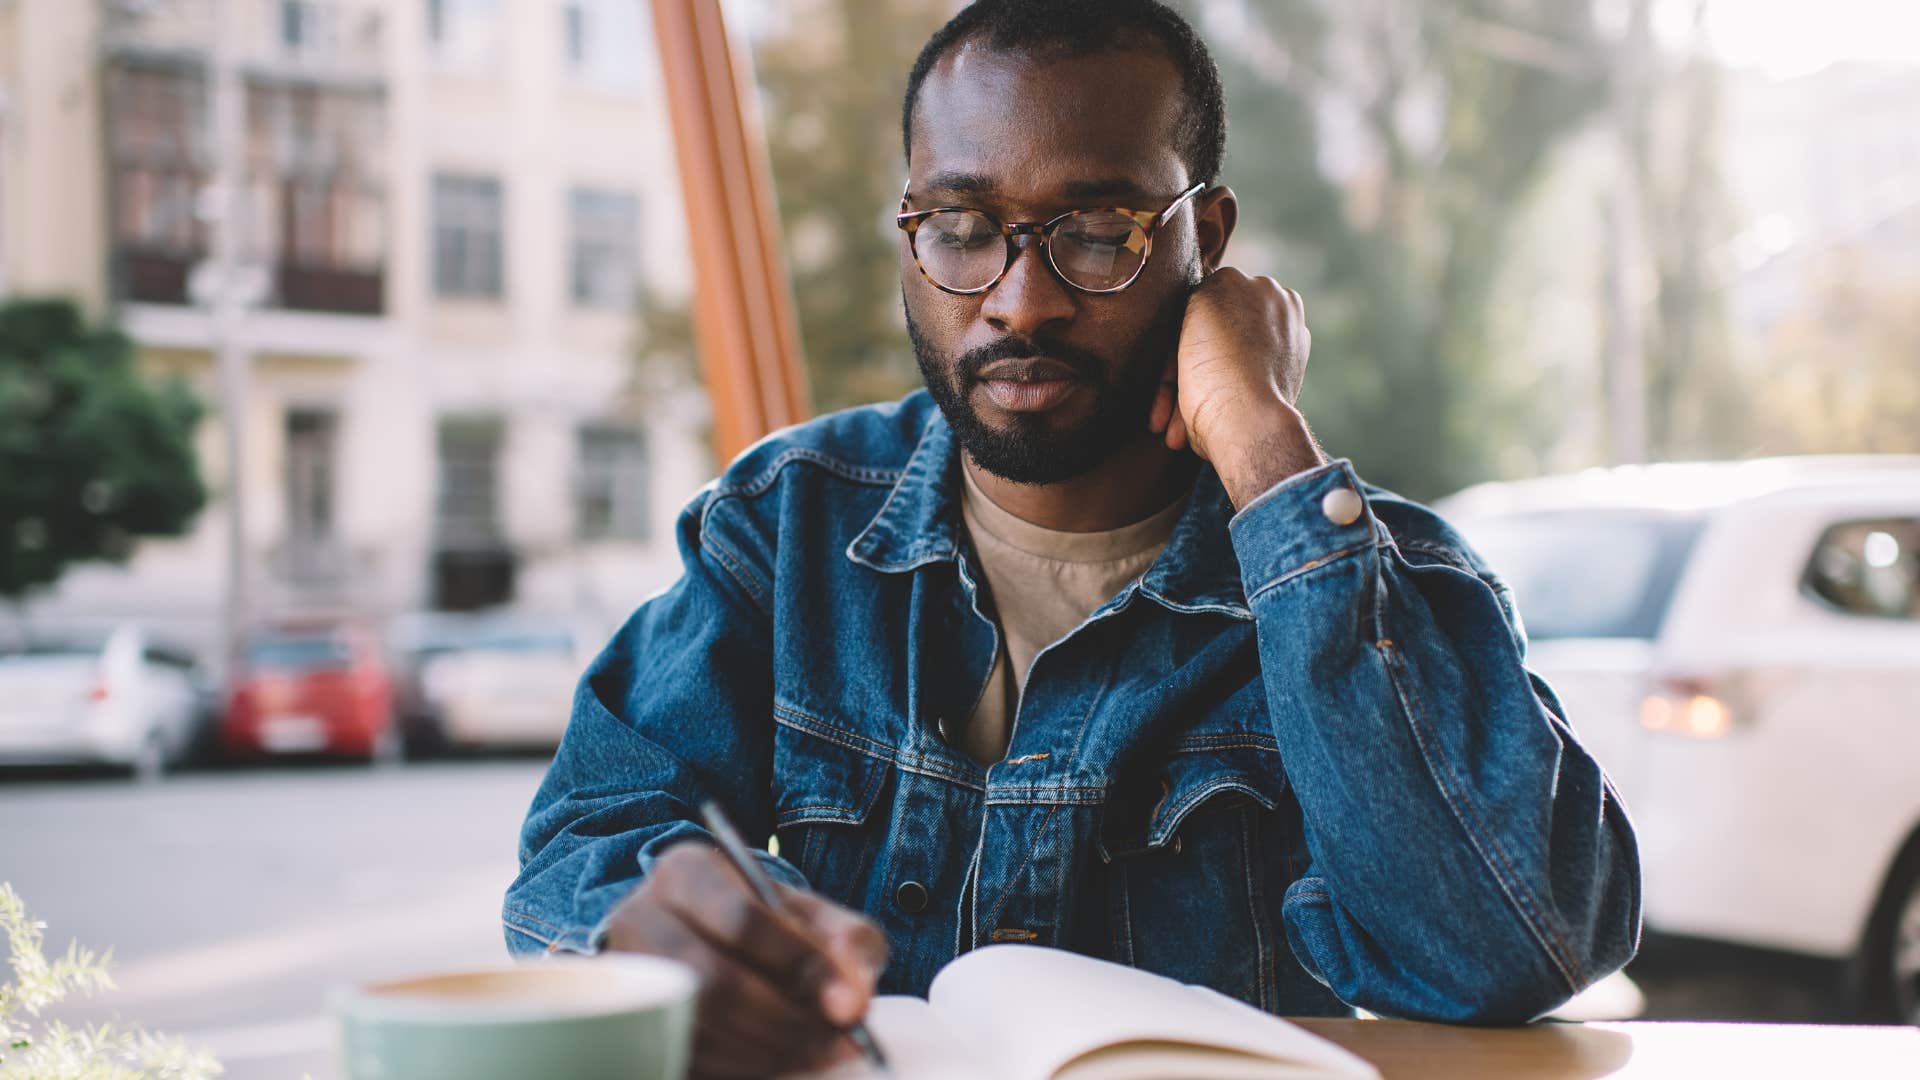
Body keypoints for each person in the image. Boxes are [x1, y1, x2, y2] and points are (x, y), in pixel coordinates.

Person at [504, 1, 1640, 1075]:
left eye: (1099, 235)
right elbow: (585, 840)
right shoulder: (788, 522)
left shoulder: (1369, 576)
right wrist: (651, 921)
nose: (1021, 300)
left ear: (1208, 238)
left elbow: (1512, 947)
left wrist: (1263, 446)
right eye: (961, 230)